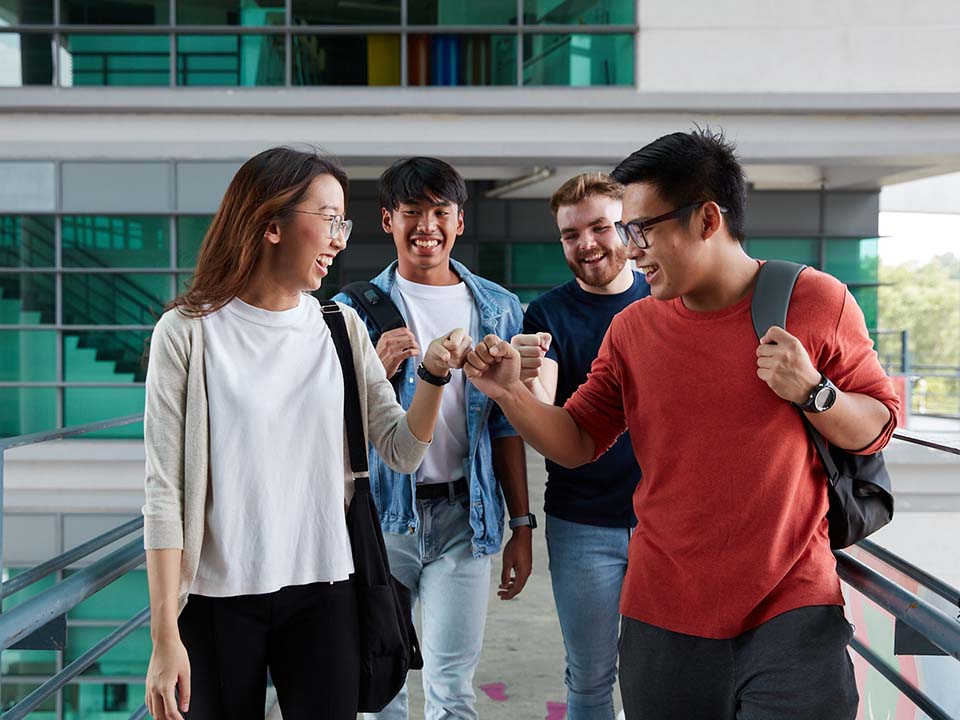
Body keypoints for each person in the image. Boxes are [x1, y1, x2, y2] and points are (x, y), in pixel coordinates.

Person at [463, 129, 901, 720]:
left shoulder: (816, 299)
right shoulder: (633, 330)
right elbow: (579, 442)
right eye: (627, 232)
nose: (631, 248)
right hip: (662, 614)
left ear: (707, 219)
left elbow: (877, 424)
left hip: (792, 605)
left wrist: (815, 393)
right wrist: (510, 392)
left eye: (641, 229)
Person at [142, 147, 470, 720]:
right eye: (330, 219)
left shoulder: (339, 329)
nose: (341, 238)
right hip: (218, 599)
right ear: (270, 223)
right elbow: (164, 494)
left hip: (327, 589)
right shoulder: (187, 333)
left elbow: (401, 449)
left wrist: (434, 375)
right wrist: (164, 636)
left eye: (344, 222)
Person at [333, 156, 531, 720]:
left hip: (465, 519)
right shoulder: (351, 311)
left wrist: (520, 524)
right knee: (380, 691)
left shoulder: (497, 308)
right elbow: (328, 427)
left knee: (452, 691)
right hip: (379, 520)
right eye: (412, 212)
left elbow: (506, 424)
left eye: (440, 211)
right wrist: (372, 366)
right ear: (388, 220)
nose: (427, 225)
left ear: (459, 221)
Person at [510, 172, 648, 720]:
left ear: (628, 229)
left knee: (663, 673)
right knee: (590, 677)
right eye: (571, 234)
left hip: (666, 521)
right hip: (583, 525)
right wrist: (522, 378)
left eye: (600, 227)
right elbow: (545, 409)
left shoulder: (666, 299)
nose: (587, 243)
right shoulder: (547, 316)